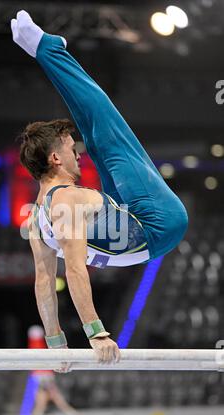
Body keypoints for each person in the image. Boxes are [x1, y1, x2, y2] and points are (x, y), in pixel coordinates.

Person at [10, 11, 188, 369]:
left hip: (128, 219)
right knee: (105, 128)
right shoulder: (67, 202)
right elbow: (74, 270)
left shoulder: (37, 218)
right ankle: (49, 50)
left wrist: (56, 345)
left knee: (96, 135)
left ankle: (50, 52)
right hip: (158, 224)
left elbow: (44, 281)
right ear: (55, 159)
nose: (77, 154)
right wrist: (96, 332)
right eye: (69, 148)